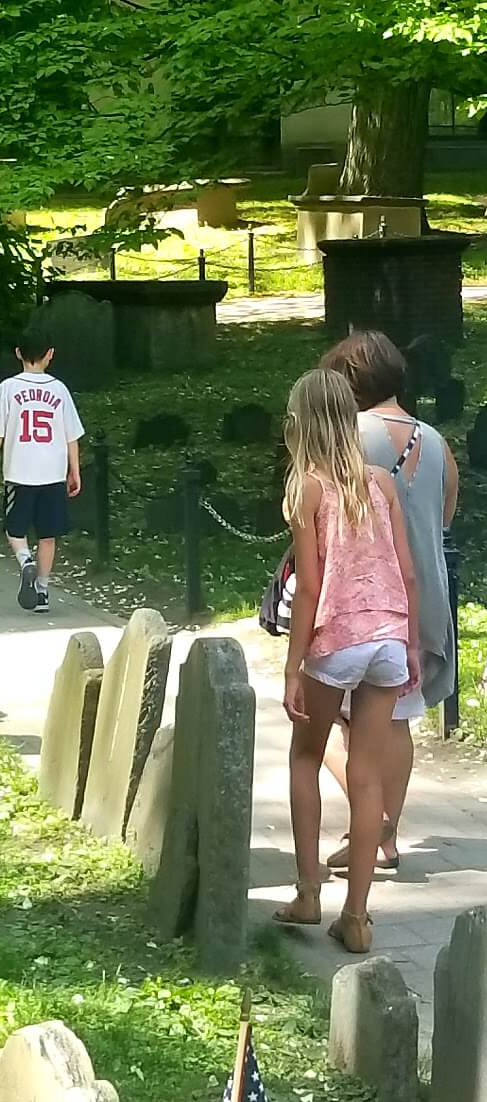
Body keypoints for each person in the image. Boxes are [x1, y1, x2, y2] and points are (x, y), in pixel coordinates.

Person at [273, 368, 419, 954]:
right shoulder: (380, 482)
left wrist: (292, 665)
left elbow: (309, 587)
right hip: (388, 637)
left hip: (337, 639)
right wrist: (408, 641)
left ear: (301, 423)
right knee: (366, 774)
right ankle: (356, 917)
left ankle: (310, 891)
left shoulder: (307, 489)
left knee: (305, 756)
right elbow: (406, 570)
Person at [320, 331, 458, 871]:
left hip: (361, 598)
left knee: (326, 715)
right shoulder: (437, 441)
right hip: (424, 596)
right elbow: (443, 518)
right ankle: (387, 839)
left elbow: (319, 514)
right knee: (397, 717)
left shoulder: (347, 435)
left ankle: (369, 815)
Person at [0, 331, 83, 613]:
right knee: (48, 535)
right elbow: (71, 435)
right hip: (52, 472)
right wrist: (75, 470)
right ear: (50, 353)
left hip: (19, 472)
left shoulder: (7, 388)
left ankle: (25, 561)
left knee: (14, 529)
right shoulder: (59, 390)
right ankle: (43, 591)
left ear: (18, 353)